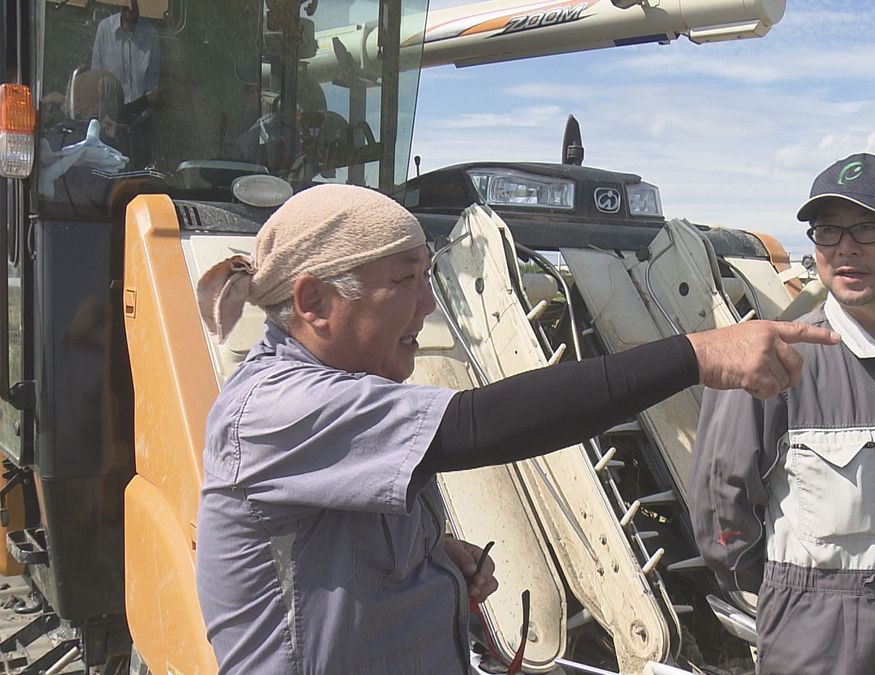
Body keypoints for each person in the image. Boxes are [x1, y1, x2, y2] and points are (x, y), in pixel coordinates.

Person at [193, 183, 840, 674]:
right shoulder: (276, 409)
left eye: (428, 275)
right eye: (405, 281)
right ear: (313, 302)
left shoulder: (341, 398)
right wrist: (697, 354)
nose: (427, 303)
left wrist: (427, 553)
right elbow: (479, 424)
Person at [688, 153, 875, 675]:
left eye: (869, 228)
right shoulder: (775, 360)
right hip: (816, 628)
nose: (845, 248)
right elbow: (721, 511)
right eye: (828, 231)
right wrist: (794, 597)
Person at [90, 0, 160, 164]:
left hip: (140, 121)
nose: (131, 6)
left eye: (136, 2)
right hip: (110, 119)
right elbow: (97, 76)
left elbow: (154, 82)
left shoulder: (151, 34)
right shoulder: (104, 29)